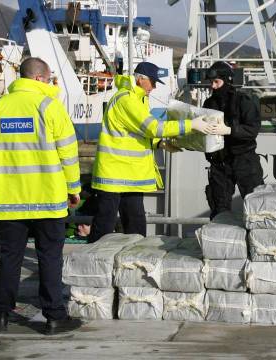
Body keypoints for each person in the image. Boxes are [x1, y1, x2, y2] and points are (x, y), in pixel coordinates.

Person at [0, 57, 82, 335]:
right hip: (47, 199)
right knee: (49, 257)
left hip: (8, 201)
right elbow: (68, 154)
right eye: (48, 80)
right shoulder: (49, 107)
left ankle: (0, 315)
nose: (50, 85)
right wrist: (74, 189)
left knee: (9, 258)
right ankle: (54, 317)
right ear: (39, 79)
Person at [88, 62, 212, 242]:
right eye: (152, 82)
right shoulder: (127, 99)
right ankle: (92, 260)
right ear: (140, 79)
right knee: (106, 221)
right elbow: (152, 127)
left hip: (127, 173)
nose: (153, 87)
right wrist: (191, 125)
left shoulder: (138, 98)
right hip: (115, 173)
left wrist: (160, 143)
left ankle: (135, 255)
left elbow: (137, 132)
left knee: (135, 220)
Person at [202, 61, 264, 219]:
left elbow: (252, 129)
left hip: (244, 160)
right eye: (211, 82)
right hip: (219, 163)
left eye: (216, 82)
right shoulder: (209, 104)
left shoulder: (244, 101)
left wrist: (229, 130)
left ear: (227, 80)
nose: (213, 86)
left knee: (256, 208)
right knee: (218, 210)